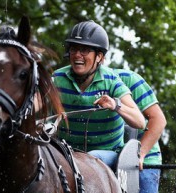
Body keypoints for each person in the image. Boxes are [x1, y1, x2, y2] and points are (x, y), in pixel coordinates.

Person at [52, 21, 146, 173]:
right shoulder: (57, 78)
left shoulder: (111, 81)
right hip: (67, 153)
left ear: (99, 57)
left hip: (106, 156)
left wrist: (116, 105)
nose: (77, 55)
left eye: (84, 50)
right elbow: (35, 102)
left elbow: (140, 122)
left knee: (89, 158)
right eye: (74, 49)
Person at [115, 69, 167, 193]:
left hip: (144, 157)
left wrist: (140, 154)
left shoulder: (129, 79)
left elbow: (158, 120)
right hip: (108, 153)